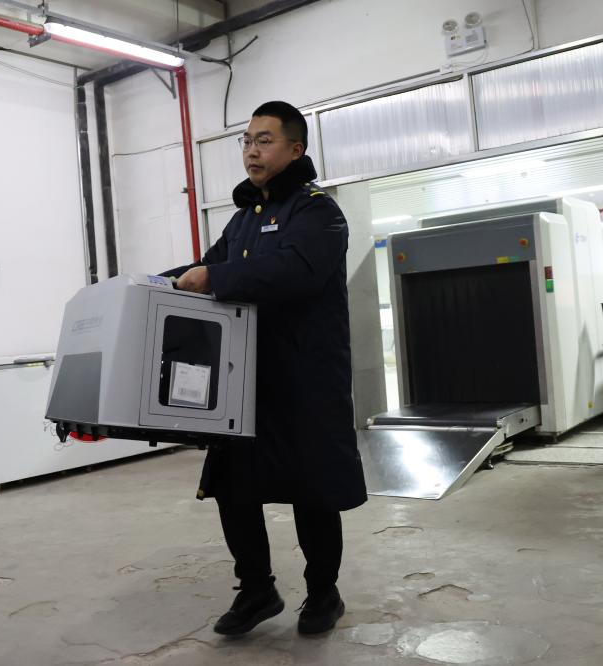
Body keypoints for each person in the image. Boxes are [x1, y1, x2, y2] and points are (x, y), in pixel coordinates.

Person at [161, 100, 367, 636]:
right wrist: (153, 282)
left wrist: (214, 278)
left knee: (311, 489)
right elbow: (208, 266)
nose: (252, 150)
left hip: (304, 379)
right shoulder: (243, 219)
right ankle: (257, 590)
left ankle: (323, 593)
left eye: (265, 140)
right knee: (235, 487)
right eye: (247, 141)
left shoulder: (319, 213)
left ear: (295, 149)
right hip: (246, 380)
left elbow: (294, 270)